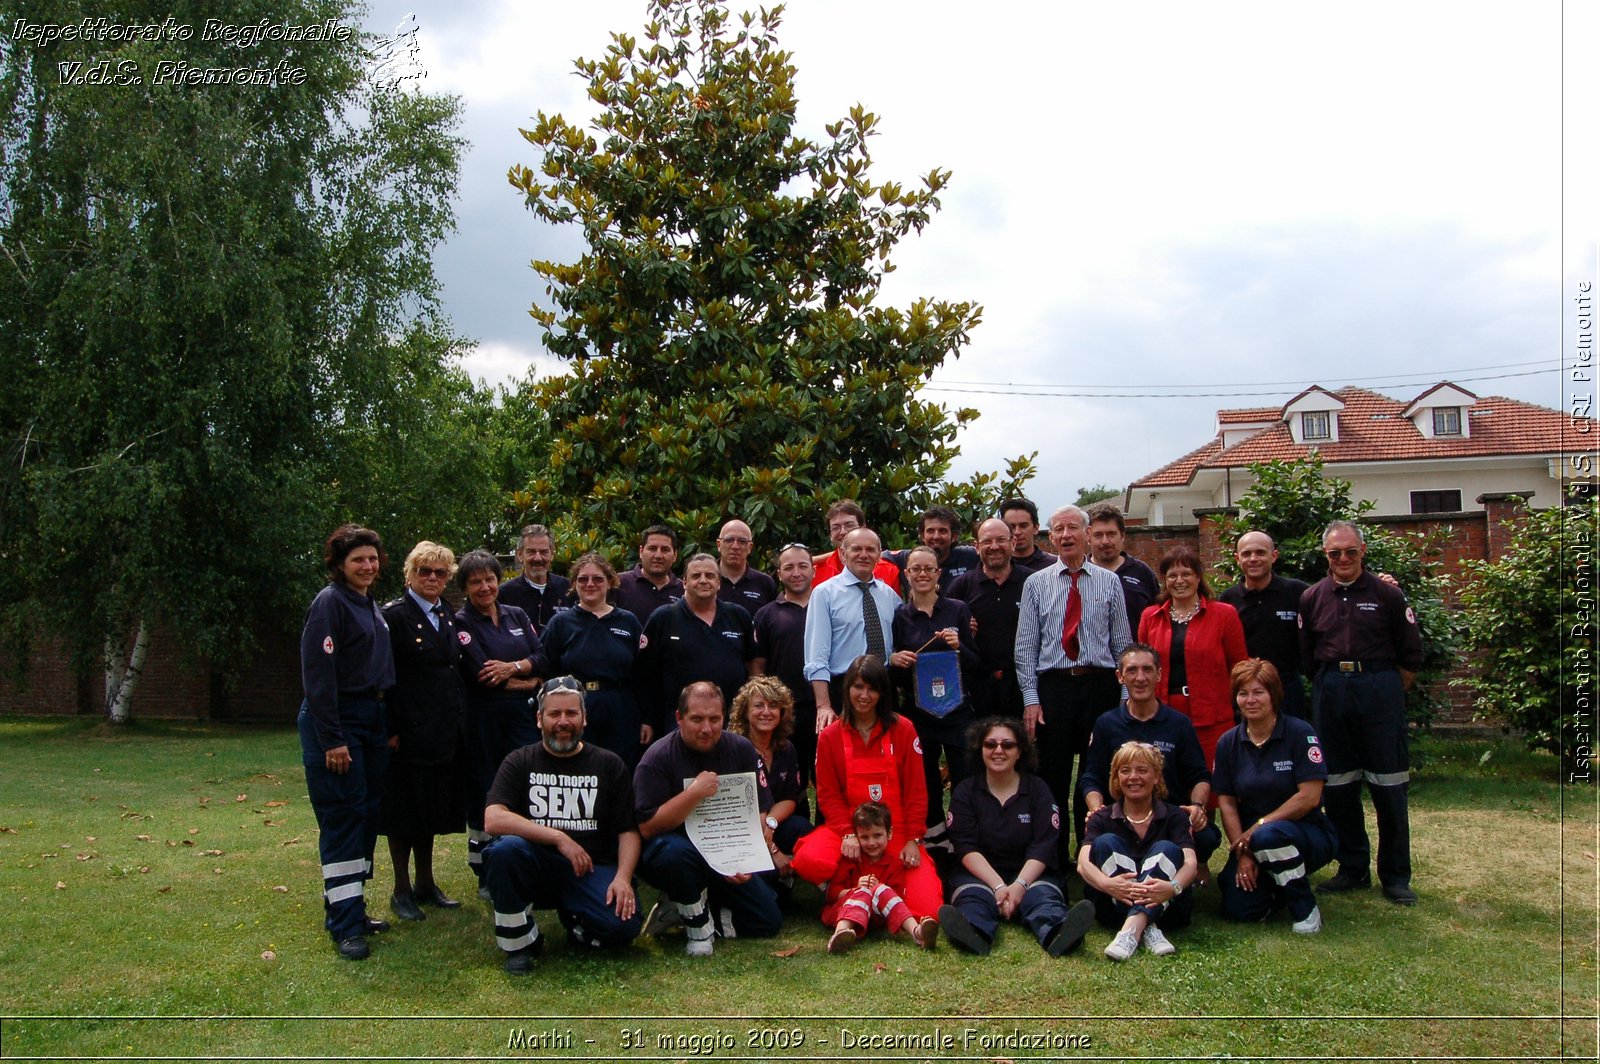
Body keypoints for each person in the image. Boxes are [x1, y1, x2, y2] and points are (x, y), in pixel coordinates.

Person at [1300, 519, 1424, 905]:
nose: (1343, 559)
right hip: (1331, 690)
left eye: (1350, 551)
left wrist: (1383, 688)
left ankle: (1395, 876)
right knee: (1338, 786)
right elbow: (1306, 656)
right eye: (1335, 553)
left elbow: (1411, 653)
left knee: (1389, 786)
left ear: (1363, 552)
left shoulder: (1388, 595)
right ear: (1326, 555)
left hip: (1379, 689)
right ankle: (1352, 868)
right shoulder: (1313, 597)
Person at [483, 677, 643, 972]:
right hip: (535, 866)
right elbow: (493, 818)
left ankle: (576, 920)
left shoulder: (609, 764)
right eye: (554, 714)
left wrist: (623, 878)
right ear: (539, 719)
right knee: (505, 850)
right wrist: (558, 837)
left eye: (571, 713)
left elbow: (628, 831)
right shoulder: (519, 761)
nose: (563, 721)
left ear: (585, 719)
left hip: (591, 868)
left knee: (625, 927)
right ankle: (520, 943)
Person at [1014, 503, 1132, 869]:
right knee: (1052, 775)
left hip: (1100, 687)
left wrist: (1125, 698)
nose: (1066, 536)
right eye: (1058, 530)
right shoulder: (1036, 583)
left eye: (1072, 529)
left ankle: (1093, 851)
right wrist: (1032, 700)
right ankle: (1052, 858)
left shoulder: (1110, 582)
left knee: (1096, 774)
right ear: (1050, 538)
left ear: (1086, 534)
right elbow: (1025, 648)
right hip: (1055, 689)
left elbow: (1122, 645)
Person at [298, 524, 394, 960]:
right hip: (339, 722)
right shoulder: (329, 603)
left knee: (366, 815)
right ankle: (346, 926)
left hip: (372, 720)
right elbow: (319, 677)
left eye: (372, 558)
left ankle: (346, 905)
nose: (367, 565)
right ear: (339, 564)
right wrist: (332, 739)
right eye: (358, 559)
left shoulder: (367, 602)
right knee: (343, 816)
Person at [791, 654, 943, 923]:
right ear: (847, 688)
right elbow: (827, 794)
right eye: (858, 687)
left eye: (872, 688)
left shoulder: (903, 729)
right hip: (847, 831)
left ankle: (871, 897)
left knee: (927, 908)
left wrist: (912, 839)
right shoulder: (830, 736)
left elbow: (917, 791)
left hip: (895, 831)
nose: (864, 695)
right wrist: (848, 833)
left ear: (883, 692)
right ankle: (845, 892)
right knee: (809, 860)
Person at [634, 682, 783, 956]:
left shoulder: (741, 749)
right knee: (672, 853)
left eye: (715, 719)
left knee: (768, 921)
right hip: (678, 854)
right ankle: (696, 926)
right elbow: (647, 827)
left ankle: (684, 909)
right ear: (679, 718)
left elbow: (759, 811)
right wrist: (692, 795)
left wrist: (745, 855)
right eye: (697, 719)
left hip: (727, 855)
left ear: (724, 717)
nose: (707, 728)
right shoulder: (657, 758)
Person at [937, 717, 1096, 957]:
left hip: (1029, 874)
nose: (998, 750)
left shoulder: (1038, 790)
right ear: (980, 750)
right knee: (972, 901)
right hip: (980, 875)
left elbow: (1043, 846)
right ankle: (972, 933)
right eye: (990, 744)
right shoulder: (965, 792)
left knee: (1044, 900)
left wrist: (1019, 886)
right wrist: (999, 886)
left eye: (1007, 745)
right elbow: (965, 847)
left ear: (1020, 751)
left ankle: (1058, 933)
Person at [1214, 659, 1337, 934]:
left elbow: (1310, 797)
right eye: (1243, 693)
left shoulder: (1299, 733)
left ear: (1274, 695)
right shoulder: (1228, 743)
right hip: (1249, 841)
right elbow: (1227, 803)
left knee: (1269, 836)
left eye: (1259, 692)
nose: (1250, 700)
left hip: (1305, 833)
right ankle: (1278, 887)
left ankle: (1305, 909)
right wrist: (1243, 853)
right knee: (1239, 910)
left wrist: (1260, 825)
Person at [380, 541, 468, 923]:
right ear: (409, 574)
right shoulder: (394, 617)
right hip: (408, 733)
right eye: (424, 572)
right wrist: (390, 729)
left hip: (441, 732)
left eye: (440, 573)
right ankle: (401, 890)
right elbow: (383, 679)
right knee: (404, 813)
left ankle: (425, 883)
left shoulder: (446, 613)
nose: (432, 578)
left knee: (428, 809)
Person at [454, 549, 546, 893]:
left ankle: (522, 857)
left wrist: (515, 669)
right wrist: (530, 677)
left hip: (521, 716)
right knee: (486, 788)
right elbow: (482, 674)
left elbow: (542, 657)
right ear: (465, 587)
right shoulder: (461, 622)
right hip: (483, 720)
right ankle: (484, 870)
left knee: (523, 785)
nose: (484, 587)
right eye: (476, 581)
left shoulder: (516, 614)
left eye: (490, 579)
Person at [1079, 644, 1218, 868]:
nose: (1140, 678)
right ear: (1120, 676)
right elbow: (1091, 777)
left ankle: (1181, 874)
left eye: (1147, 670)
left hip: (1168, 817)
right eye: (1132, 670)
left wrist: (1198, 807)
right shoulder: (1106, 724)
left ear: (1159, 675)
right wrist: (1097, 809)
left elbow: (1200, 776)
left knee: (1206, 836)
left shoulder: (1179, 724)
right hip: (1122, 817)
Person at [889, 544, 979, 855]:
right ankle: (935, 840)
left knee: (964, 777)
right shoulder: (900, 616)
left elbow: (974, 664)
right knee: (924, 781)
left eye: (929, 568)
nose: (923, 574)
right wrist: (896, 661)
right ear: (907, 574)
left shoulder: (957, 610)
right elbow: (897, 676)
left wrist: (959, 648)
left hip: (957, 711)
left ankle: (965, 838)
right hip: (919, 714)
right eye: (916, 569)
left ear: (938, 574)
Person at [1076, 742, 1198, 962]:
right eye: (1125, 771)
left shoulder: (1175, 816)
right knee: (1105, 843)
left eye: (1142, 770)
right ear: (1116, 778)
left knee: (1167, 849)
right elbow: (1083, 863)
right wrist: (1107, 884)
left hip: (1168, 907)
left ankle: (1132, 929)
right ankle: (1146, 926)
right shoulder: (1100, 818)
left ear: (1156, 777)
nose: (1133, 777)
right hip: (1113, 906)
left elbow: (1190, 863)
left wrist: (1172, 887)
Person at [1136, 545, 1248, 769]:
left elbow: (1240, 666)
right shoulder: (1151, 617)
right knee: (1165, 779)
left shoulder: (1224, 614)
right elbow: (1141, 664)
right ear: (1164, 580)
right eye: (1172, 575)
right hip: (1163, 712)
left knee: (1212, 781)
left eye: (1186, 573)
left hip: (1212, 714)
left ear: (1198, 577)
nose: (1179, 580)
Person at [539, 553, 648, 769]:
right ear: (574, 584)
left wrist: (647, 719)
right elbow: (545, 668)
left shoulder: (628, 621)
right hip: (576, 707)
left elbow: (643, 674)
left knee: (620, 768)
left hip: (622, 708)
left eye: (598, 579)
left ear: (610, 582)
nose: (590, 584)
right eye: (583, 579)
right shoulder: (560, 623)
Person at [636, 553, 755, 737]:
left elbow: (753, 664)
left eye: (709, 576)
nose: (703, 581)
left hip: (732, 721)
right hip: (678, 723)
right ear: (684, 582)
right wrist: (647, 719)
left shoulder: (738, 616)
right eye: (695, 576)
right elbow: (645, 675)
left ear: (718, 582)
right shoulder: (664, 618)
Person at [803, 527, 902, 731]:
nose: (864, 555)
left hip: (883, 689)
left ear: (878, 555)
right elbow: (816, 657)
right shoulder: (824, 594)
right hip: (843, 691)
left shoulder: (890, 596)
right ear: (842, 553)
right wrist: (823, 706)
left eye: (870, 549)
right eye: (856, 549)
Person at [1217, 530, 1311, 719]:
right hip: (1244, 690)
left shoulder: (1298, 592)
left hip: (1287, 688)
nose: (1253, 559)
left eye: (1260, 552)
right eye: (1246, 554)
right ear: (1237, 558)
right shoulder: (1227, 600)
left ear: (1274, 556)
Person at [822, 801, 939, 952]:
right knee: (862, 892)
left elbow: (896, 899)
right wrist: (855, 889)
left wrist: (877, 889)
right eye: (864, 837)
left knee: (881, 889)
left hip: (875, 917)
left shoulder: (894, 864)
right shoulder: (850, 860)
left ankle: (917, 932)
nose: (871, 843)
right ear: (856, 836)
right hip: (844, 912)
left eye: (877, 835)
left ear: (889, 833)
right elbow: (831, 893)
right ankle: (840, 935)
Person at [728, 676, 815, 878]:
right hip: (741, 832)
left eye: (773, 706)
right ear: (746, 712)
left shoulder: (786, 748)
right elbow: (738, 813)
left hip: (771, 826)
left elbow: (790, 798)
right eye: (759, 706)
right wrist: (773, 850)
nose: (766, 712)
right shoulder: (734, 749)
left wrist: (771, 823)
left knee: (804, 829)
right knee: (773, 895)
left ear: (782, 712)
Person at [948, 518, 1030, 719]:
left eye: (1001, 540)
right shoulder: (961, 586)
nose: (994, 547)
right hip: (976, 687)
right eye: (987, 541)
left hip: (1022, 686)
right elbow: (946, 630)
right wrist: (962, 630)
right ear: (976, 547)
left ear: (1012, 543)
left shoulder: (1033, 582)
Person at [752, 544, 818, 783]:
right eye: (788, 567)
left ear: (814, 571)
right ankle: (795, 820)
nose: (796, 573)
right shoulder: (766, 614)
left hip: (825, 706)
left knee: (827, 775)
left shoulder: (830, 608)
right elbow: (758, 665)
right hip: (785, 710)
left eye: (802, 566)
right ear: (779, 574)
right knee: (791, 777)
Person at [1086, 503, 1160, 638]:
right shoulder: (1078, 574)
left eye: (1111, 534)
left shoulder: (1142, 572)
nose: (1105, 541)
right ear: (1088, 538)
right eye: (1098, 535)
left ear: (1122, 536)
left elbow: (1158, 620)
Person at [881, 506, 980, 593]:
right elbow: (878, 555)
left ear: (954, 536)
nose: (936, 536)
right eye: (930, 531)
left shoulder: (969, 555)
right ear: (922, 536)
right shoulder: (908, 558)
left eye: (942, 531)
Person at [497, 523, 571, 636]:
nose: (538, 558)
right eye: (531, 552)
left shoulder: (568, 589)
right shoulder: (504, 594)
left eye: (544, 552)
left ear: (552, 554)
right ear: (520, 555)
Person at [812, 499, 901, 587]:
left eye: (849, 525)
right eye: (836, 528)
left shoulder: (888, 571)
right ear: (830, 534)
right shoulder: (815, 573)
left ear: (863, 527)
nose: (842, 532)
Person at [615, 524, 684, 623]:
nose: (658, 555)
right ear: (641, 551)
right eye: (652, 548)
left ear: (675, 555)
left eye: (665, 550)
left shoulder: (683, 590)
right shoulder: (619, 583)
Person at [716, 518, 777, 614]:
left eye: (742, 541)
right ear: (719, 545)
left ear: (750, 547)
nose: (735, 546)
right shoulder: (706, 580)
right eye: (729, 540)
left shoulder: (765, 583)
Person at [999, 497, 1056, 574]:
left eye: (1023, 526)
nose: (1017, 532)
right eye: (1012, 527)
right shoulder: (995, 567)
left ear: (1036, 528)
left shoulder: (1054, 566)